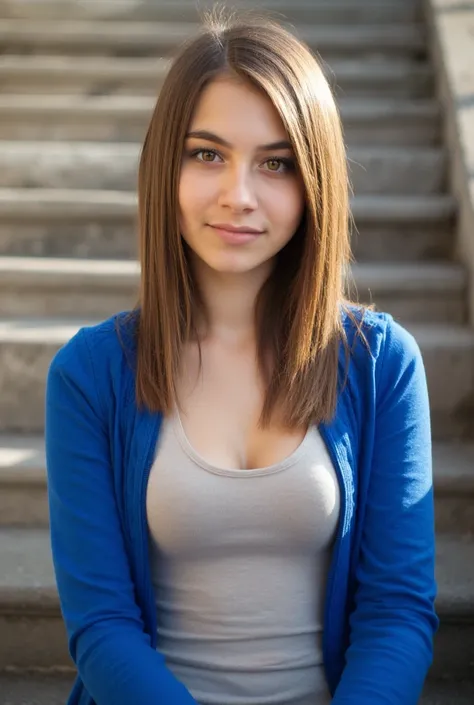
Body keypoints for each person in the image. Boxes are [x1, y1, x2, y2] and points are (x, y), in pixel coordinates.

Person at [45, 10, 438, 705]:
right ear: (165, 168)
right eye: (207, 153)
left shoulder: (383, 365)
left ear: (314, 181)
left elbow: (396, 614)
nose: (239, 195)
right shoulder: (89, 375)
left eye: (276, 162)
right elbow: (103, 626)